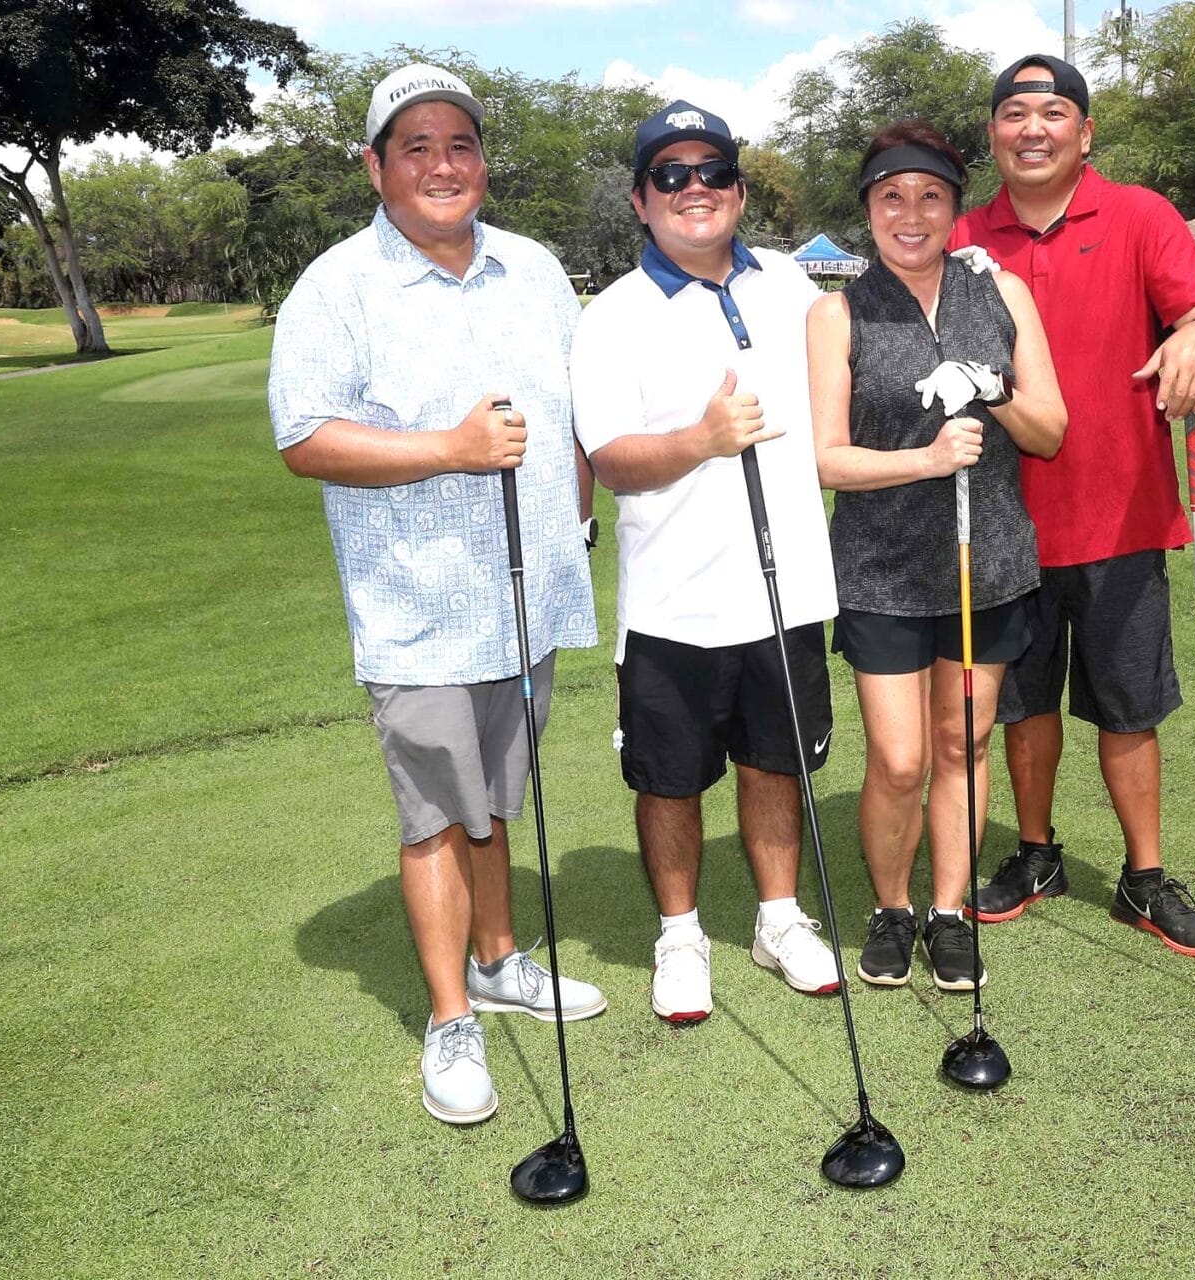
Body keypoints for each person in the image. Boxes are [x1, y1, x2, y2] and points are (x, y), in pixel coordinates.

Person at [266, 64, 606, 1126]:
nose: (442, 164)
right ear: (376, 168)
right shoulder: (336, 287)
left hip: (528, 596)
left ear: (483, 163)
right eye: (415, 147)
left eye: (459, 144)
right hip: (418, 609)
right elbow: (306, 438)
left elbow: (574, 417)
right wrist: (449, 449)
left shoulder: (535, 269)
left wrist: (579, 524)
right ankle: (452, 1016)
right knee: (433, 818)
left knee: (496, 798)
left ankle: (498, 960)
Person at [948, 56, 1195, 954]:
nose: (1032, 128)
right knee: (1022, 705)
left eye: (1052, 113)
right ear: (993, 134)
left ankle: (1143, 879)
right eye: (1014, 113)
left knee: (1128, 706)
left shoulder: (1141, 215)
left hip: (1122, 515)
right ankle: (1036, 855)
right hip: (1003, 522)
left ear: (1085, 133)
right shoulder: (963, 234)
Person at [570, 101, 841, 1024]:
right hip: (672, 602)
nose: (695, 188)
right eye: (671, 175)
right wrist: (702, 439)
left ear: (739, 189)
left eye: (713, 171)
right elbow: (611, 459)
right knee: (669, 779)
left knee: (775, 764)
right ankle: (680, 935)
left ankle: (778, 918)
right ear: (640, 199)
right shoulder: (612, 316)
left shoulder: (791, 286)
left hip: (788, 589)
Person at [806, 122, 1065, 991]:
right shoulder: (837, 312)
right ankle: (893, 907)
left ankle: (949, 912)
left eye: (929, 197)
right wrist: (925, 458)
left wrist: (992, 388)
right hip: (880, 570)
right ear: (868, 210)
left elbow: (1051, 430)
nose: (910, 214)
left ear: (956, 209)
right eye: (891, 197)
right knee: (900, 759)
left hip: (984, 564)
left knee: (964, 744)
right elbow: (826, 459)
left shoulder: (1001, 293)